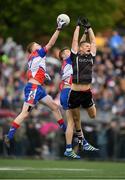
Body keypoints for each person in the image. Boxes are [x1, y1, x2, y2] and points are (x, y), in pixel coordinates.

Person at [4, 18, 67, 147]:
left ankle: (66, 131)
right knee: (25, 113)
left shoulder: (34, 58)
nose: (39, 45)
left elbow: (32, 73)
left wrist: (44, 75)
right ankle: (9, 135)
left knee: (55, 107)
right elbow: (51, 43)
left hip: (38, 88)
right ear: (33, 50)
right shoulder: (37, 53)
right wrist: (58, 29)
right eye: (37, 45)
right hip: (33, 88)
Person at [64, 17, 98, 157]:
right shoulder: (75, 56)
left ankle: (81, 142)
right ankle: (81, 142)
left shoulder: (91, 56)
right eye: (86, 45)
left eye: (89, 46)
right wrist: (77, 27)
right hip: (75, 93)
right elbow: (74, 42)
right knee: (76, 120)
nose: (89, 46)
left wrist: (89, 28)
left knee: (93, 115)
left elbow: (94, 41)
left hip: (87, 92)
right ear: (81, 47)